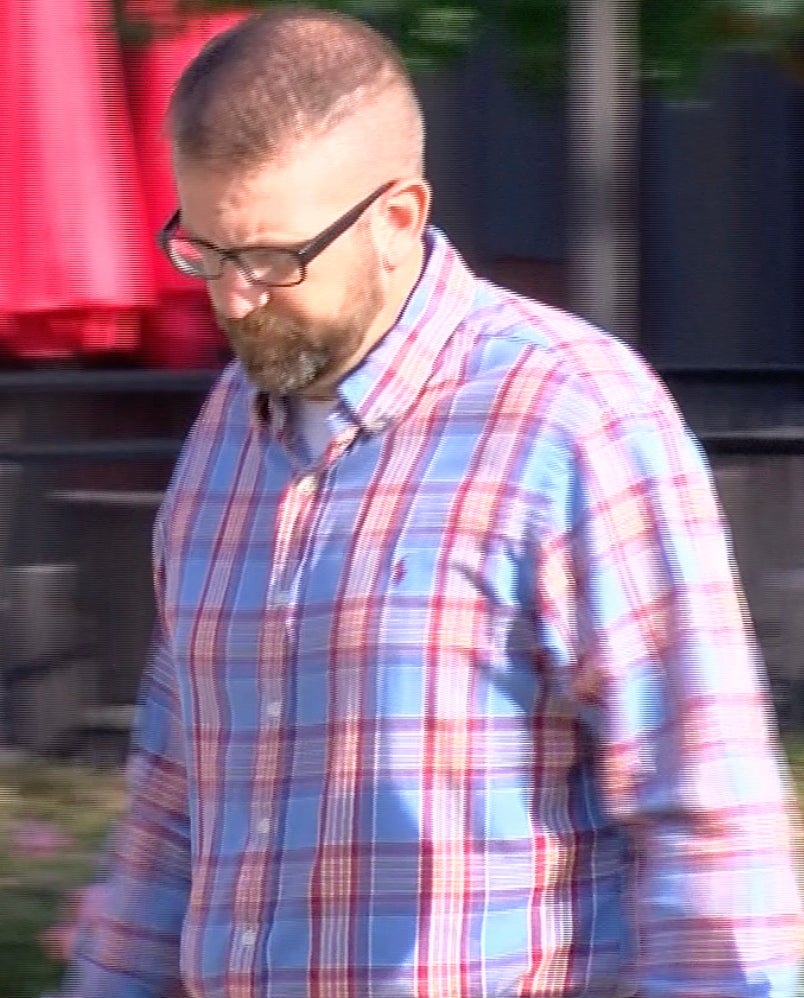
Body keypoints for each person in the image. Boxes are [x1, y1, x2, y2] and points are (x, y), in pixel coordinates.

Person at [60, 6, 803, 997]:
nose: (235, 299)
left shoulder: (574, 422)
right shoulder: (221, 441)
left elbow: (711, 833)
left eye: (273, 259)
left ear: (397, 218)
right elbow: (169, 811)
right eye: (204, 250)